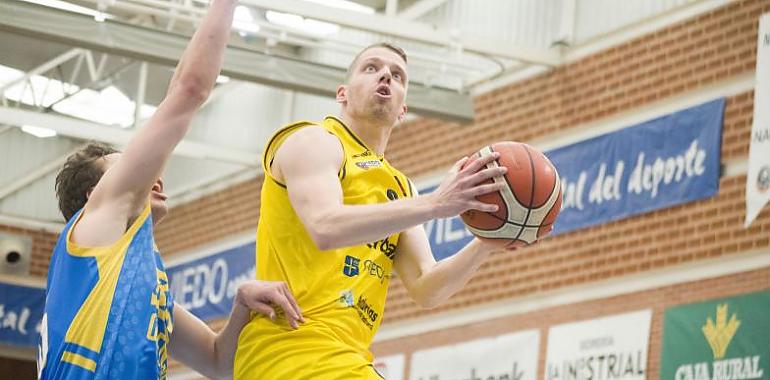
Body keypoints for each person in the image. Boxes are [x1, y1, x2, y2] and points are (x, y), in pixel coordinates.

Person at [36, 1, 303, 379]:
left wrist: (242, 304)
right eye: (130, 169)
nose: (155, 176)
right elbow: (189, 89)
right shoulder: (94, 226)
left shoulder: (143, 283)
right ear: (94, 195)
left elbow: (218, 363)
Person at [233, 43, 508, 379]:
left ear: (403, 109)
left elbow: (426, 287)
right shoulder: (313, 142)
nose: (385, 77)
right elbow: (325, 226)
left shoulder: (401, 188)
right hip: (289, 350)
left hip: (347, 360)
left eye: (397, 75)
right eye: (371, 68)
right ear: (343, 94)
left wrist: (488, 243)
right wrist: (435, 204)